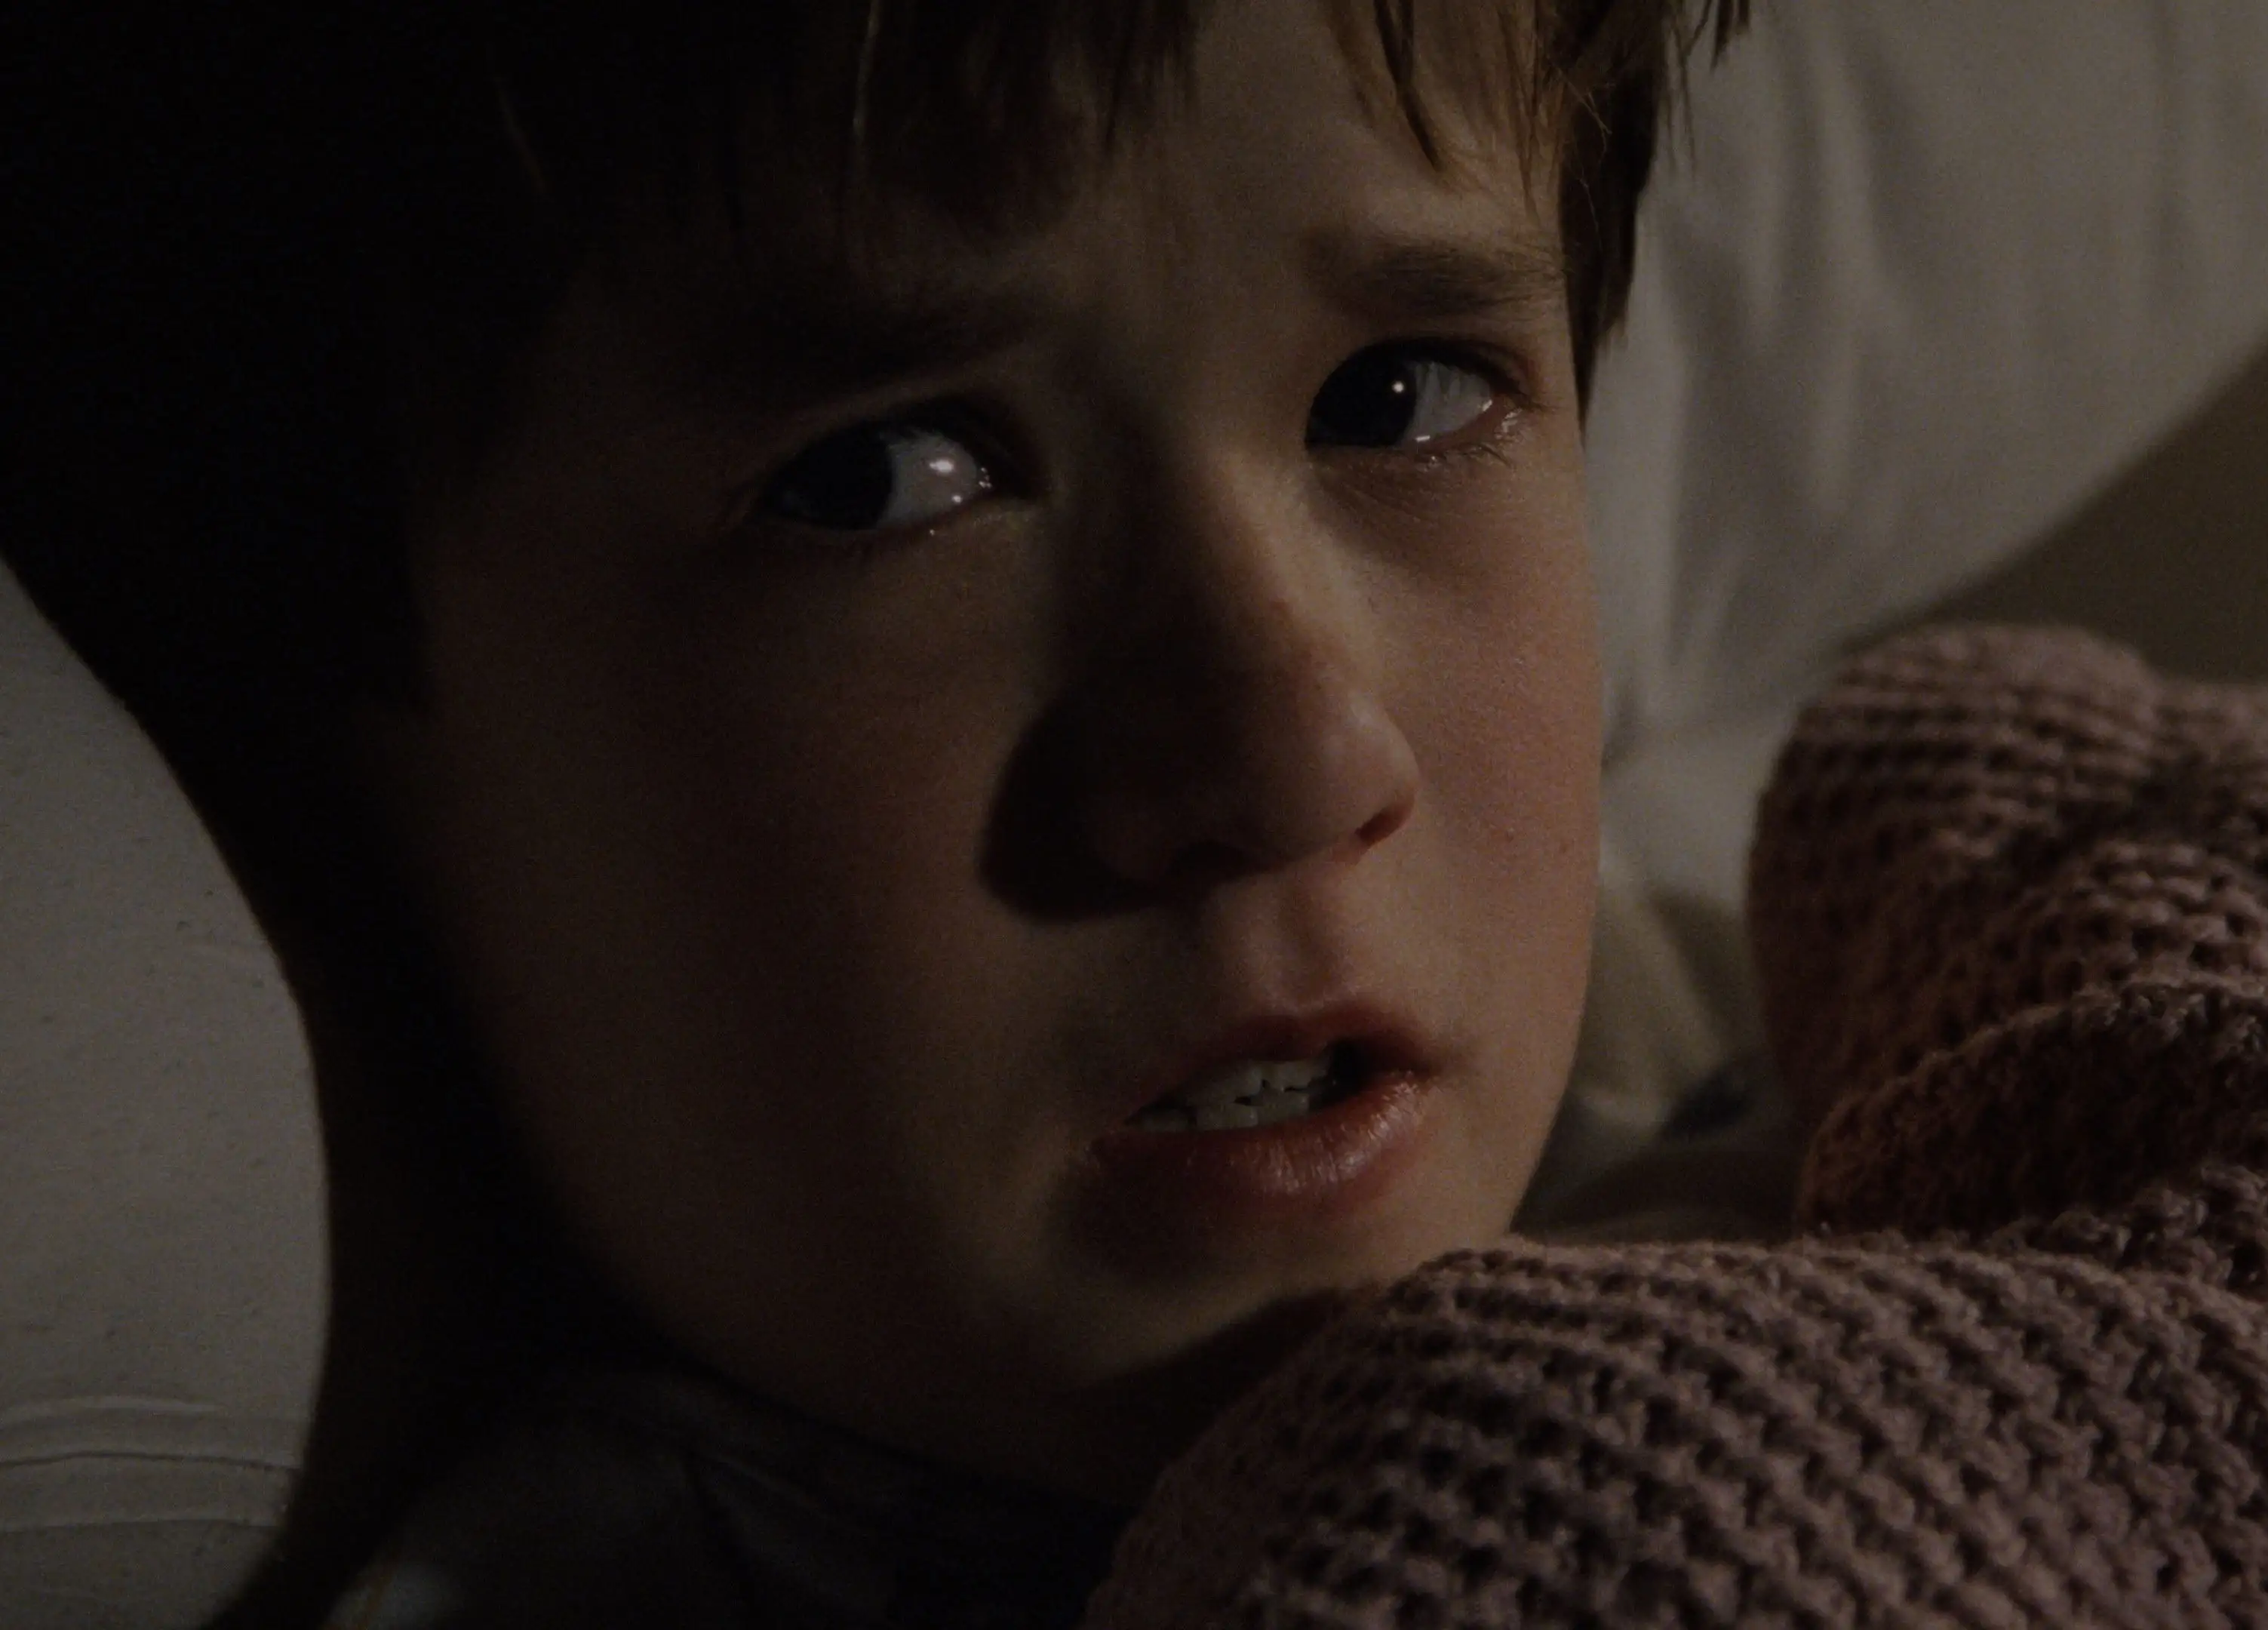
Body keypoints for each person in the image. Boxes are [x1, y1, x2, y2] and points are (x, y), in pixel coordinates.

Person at [8, 0, 1744, 1622]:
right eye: (886, 481)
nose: (1294, 759)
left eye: (1400, 396)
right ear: (334, 733)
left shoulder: (1794, 1103)